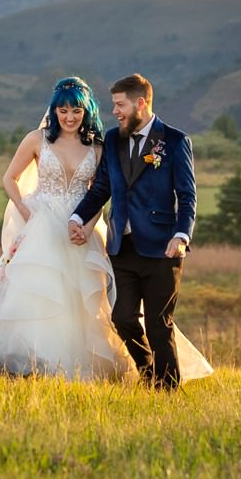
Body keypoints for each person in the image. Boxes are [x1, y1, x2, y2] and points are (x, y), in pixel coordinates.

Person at [0, 77, 135, 380]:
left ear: (86, 111)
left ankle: (74, 363)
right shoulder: (37, 139)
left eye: (76, 111)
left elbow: (99, 192)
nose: (70, 117)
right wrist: (25, 210)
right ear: (54, 110)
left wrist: (87, 227)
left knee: (80, 294)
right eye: (63, 110)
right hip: (41, 221)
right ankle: (29, 361)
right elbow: (10, 178)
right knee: (37, 290)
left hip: (80, 226)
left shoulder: (97, 147)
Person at [68, 73, 212, 389]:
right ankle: (147, 370)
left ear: (140, 103)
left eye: (120, 105)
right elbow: (101, 188)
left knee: (160, 324)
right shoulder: (113, 139)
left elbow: (187, 195)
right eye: (114, 105)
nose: (115, 111)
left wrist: (182, 235)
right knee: (122, 318)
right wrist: (78, 217)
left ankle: (168, 389)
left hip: (164, 247)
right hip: (123, 246)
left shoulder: (175, 141)